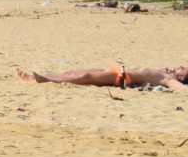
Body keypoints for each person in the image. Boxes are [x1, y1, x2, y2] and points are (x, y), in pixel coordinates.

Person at [18, 63, 188, 90]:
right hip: (117, 69)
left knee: (85, 76)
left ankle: (46, 80)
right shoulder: (165, 71)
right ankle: (39, 76)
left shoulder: (168, 79)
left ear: (181, 78)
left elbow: (181, 89)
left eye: (183, 69)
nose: (179, 66)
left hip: (122, 78)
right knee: (74, 72)